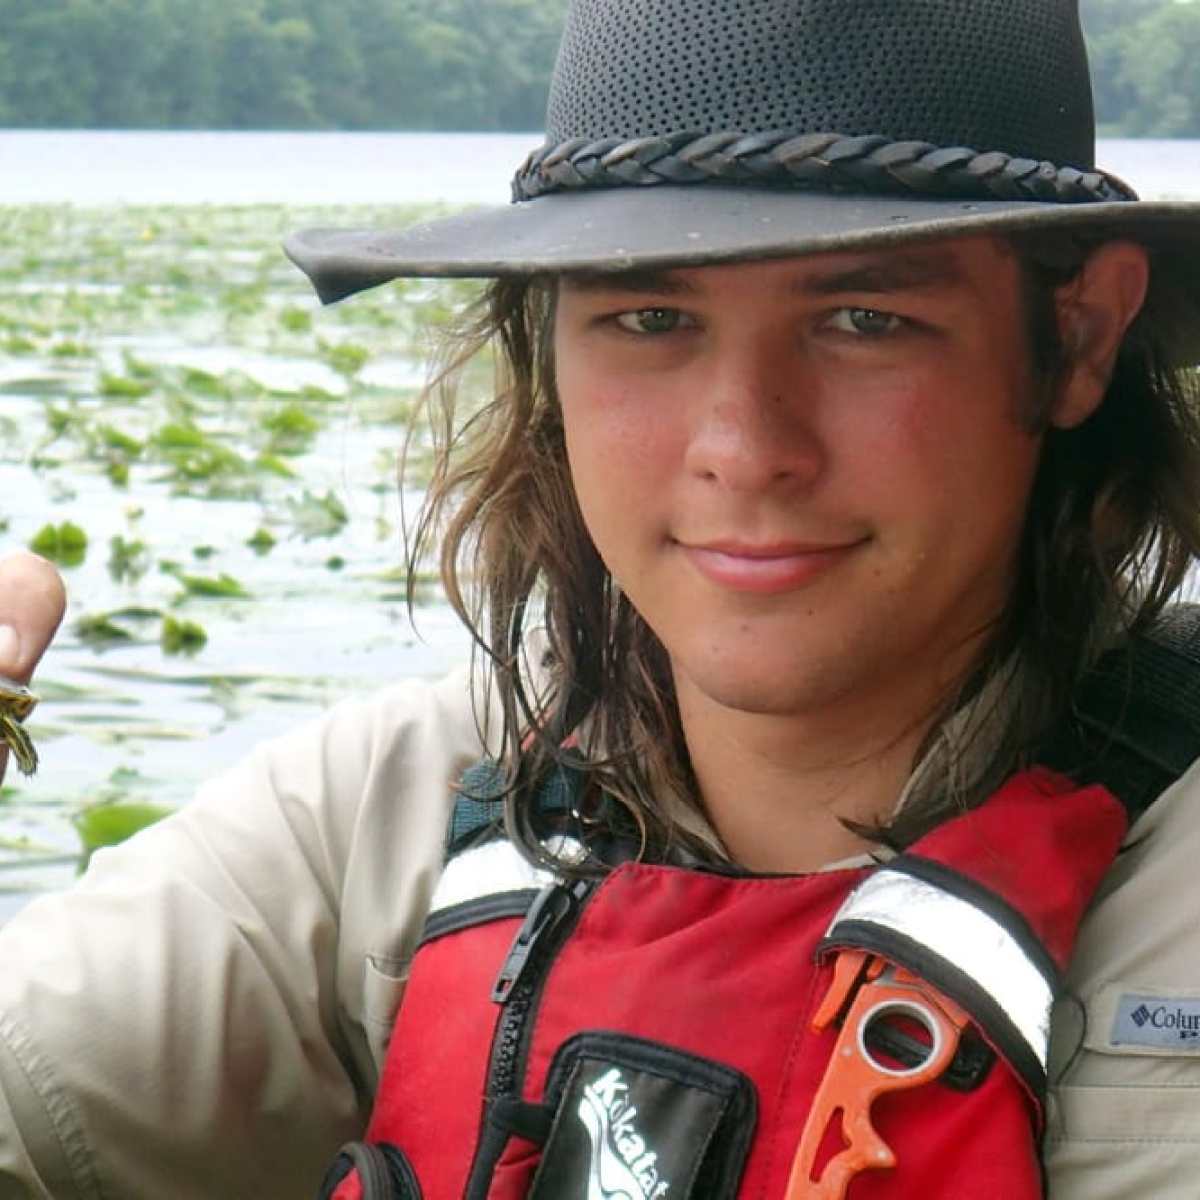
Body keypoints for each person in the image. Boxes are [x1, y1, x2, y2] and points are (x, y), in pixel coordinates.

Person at [4, 0, 1200, 1195]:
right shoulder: (408, 804)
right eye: (651, 318)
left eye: (865, 319)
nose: (744, 447)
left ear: (1080, 335)